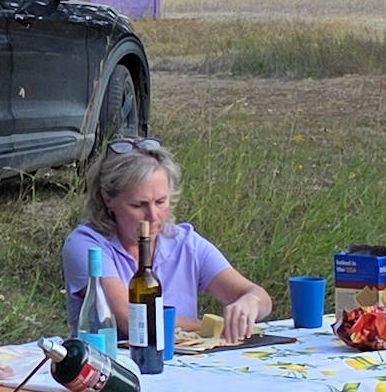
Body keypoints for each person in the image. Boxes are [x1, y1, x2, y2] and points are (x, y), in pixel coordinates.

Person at [65, 136, 271, 347]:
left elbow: (260, 298)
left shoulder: (184, 242)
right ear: (108, 199)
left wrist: (250, 303)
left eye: (161, 202)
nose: (153, 215)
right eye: (138, 205)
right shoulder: (86, 245)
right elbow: (131, 320)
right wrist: (209, 329)